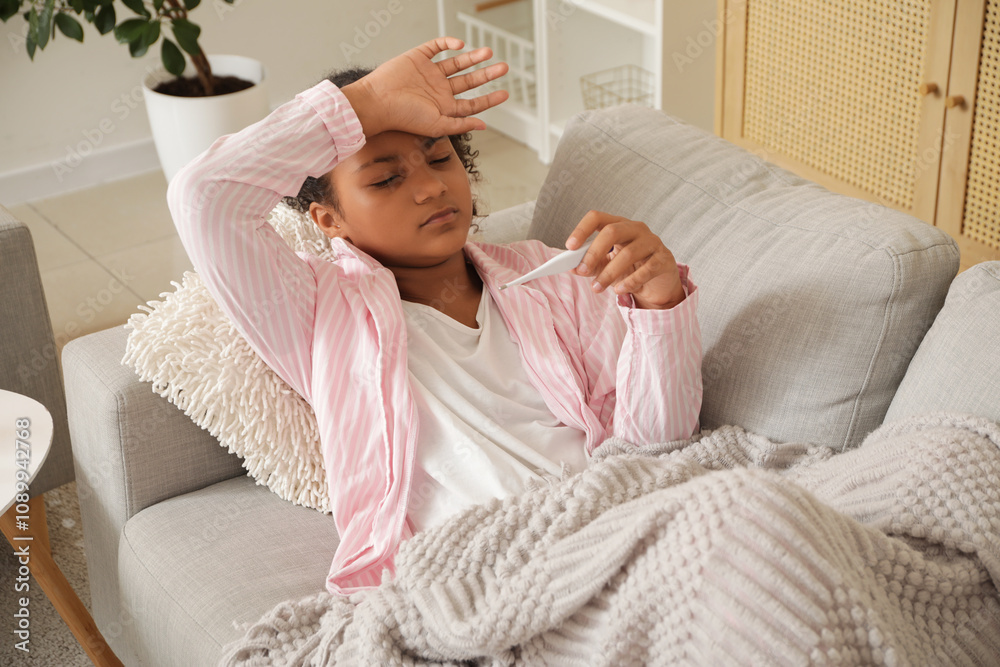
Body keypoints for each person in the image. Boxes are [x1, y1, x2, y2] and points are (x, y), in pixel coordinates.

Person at [167, 37, 702, 596]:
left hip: (612, 529)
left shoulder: (553, 275)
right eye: (385, 179)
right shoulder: (319, 313)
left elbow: (656, 447)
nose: (430, 187)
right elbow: (204, 196)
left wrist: (659, 305)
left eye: (440, 157)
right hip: (474, 578)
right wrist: (368, 102)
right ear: (329, 221)